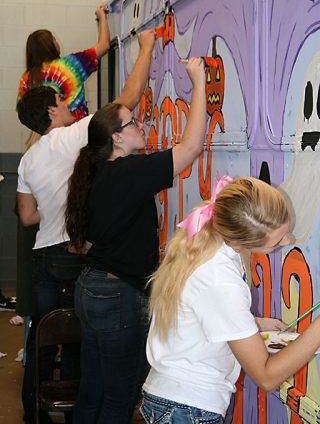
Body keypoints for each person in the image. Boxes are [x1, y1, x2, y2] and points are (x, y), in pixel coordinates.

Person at [16, 28, 155, 424]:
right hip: (71, 254)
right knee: (80, 344)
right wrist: (145, 48)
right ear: (50, 113)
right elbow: (124, 102)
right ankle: (76, 412)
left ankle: (35, 417)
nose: (68, 107)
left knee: (41, 343)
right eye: (61, 103)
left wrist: (55, 203)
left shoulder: (27, 159)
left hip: (42, 258)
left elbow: (27, 216)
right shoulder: (72, 137)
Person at [64, 56, 206, 423]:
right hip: (117, 297)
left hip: (93, 289)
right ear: (116, 137)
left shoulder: (96, 170)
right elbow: (190, 149)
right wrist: (199, 81)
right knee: (120, 399)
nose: (141, 126)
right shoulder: (128, 172)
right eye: (133, 123)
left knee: (93, 392)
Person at [140, 175, 320, 423]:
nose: (288, 242)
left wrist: (253, 323)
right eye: (278, 242)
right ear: (245, 241)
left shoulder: (211, 246)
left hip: (174, 399)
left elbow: (202, 312)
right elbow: (266, 377)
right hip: (187, 408)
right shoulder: (220, 279)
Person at [17, 6, 110, 150]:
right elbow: (104, 45)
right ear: (51, 45)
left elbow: (23, 113)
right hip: (77, 136)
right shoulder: (70, 65)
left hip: (44, 140)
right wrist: (102, 17)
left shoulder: (26, 78)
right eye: (54, 39)